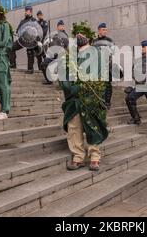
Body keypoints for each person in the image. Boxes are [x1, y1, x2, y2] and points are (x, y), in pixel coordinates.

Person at [60, 23, 108, 172]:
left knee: (93, 125)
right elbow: (63, 74)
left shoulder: (96, 54)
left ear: (88, 37)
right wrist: (68, 87)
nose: (80, 36)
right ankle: (78, 157)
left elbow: (101, 74)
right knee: (74, 127)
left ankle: (94, 157)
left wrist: (88, 86)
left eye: (83, 34)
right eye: (77, 34)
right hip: (74, 98)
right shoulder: (69, 56)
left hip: (90, 96)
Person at [125, 40, 147, 132]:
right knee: (129, 98)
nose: (141, 48)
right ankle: (136, 118)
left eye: (143, 47)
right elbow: (133, 71)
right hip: (140, 86)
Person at [92, 23, 115, 109]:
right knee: (99, 85)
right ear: (99, 30)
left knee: (108, 85)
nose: (105, 31)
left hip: (107, 66)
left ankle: (108, 102)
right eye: (103, 30)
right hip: (97, 66)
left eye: (106, 30)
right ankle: (100, 101)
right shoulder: (94, 41)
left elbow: (113, 52)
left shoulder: (109, 40)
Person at [8, 5, 36, 70]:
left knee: (30, 51)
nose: (25, 12)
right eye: (25, 11)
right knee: (11, 47)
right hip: (22, 40)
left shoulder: (34, 20)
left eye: (27, 11)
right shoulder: (22, 21)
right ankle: (13, 65)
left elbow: (37, 31)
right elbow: (18, 30)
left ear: (30, 11)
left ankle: (30, 69)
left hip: (30, 40)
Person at [41, 20, 69, 85]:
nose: (61, 27)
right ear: (57, 27)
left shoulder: (65, 36)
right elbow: (51, 45)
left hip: (61, 56)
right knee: (43, 64)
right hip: (53, 56)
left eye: (62, 26)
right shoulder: (54, 35)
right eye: (60, 26)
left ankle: (62, 83)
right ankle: (49, 80)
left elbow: (65, 45)